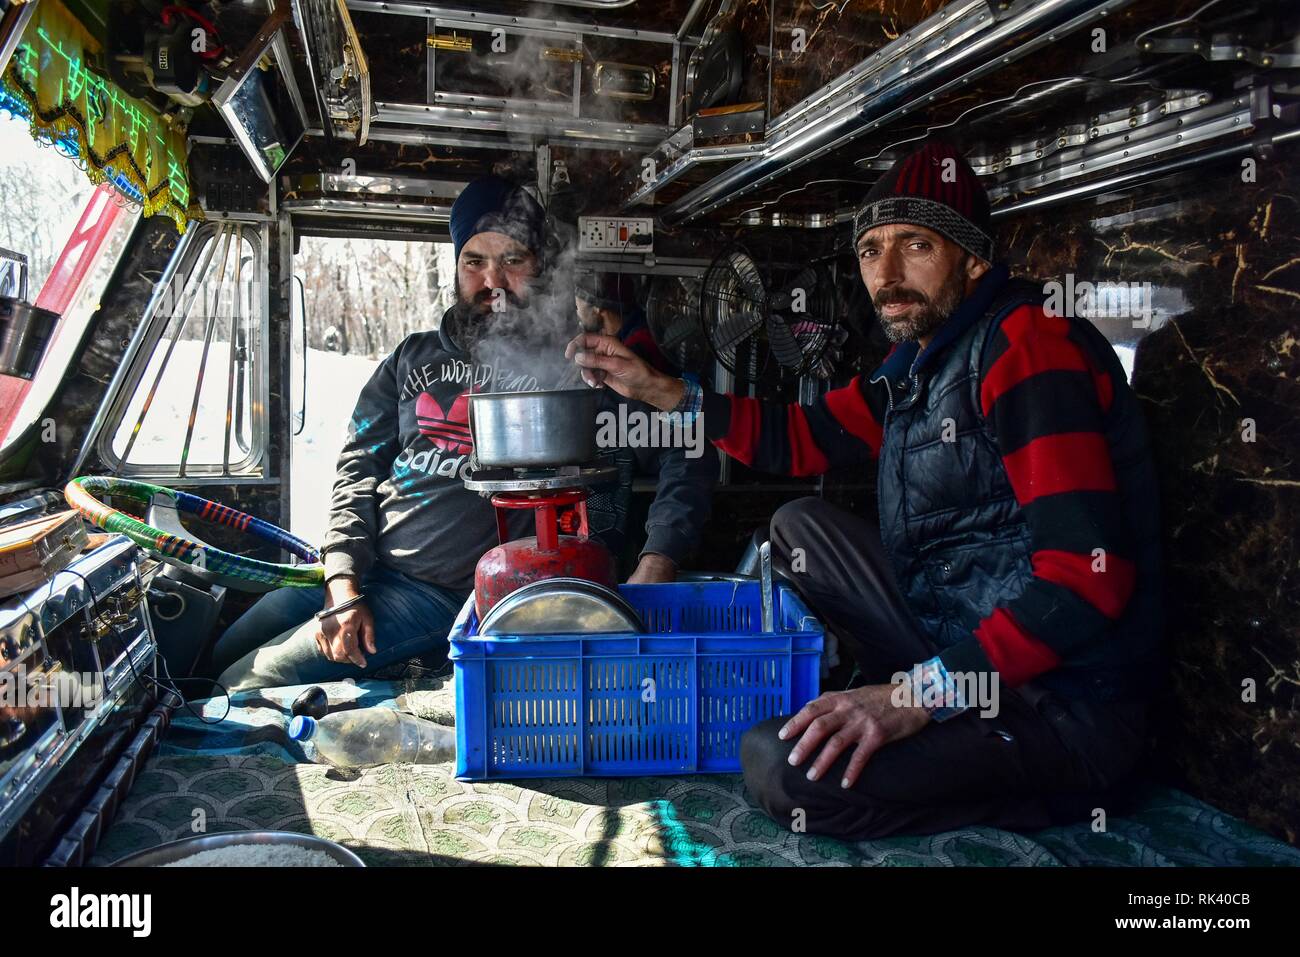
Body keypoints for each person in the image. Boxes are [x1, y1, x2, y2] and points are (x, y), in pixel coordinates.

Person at [567, 139, 1164, 840]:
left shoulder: (1031, 344)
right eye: (871, 249)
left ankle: (1014, 783)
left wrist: (916, 695)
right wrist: (663, 393)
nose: (886, 273)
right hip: (963, 638)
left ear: (973, 259)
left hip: (1062, 706)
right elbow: (806, 436)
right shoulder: (917, 359)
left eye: (916, 244)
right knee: (797, 527)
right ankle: (919, 710)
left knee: (780, 766)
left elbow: (1085, 582)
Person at [207, 175, 714, 690]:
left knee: (241, 683)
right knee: (211, 659)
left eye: (512, 260)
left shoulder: (581, 367)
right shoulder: (410, 357)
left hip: (447, 594)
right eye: (475, 261)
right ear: (456, 267)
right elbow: (357, 470)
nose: (492, 280)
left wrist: (658, 560)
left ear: (541, 268)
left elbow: (687, 444)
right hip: (365, 572)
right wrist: (342, 578)